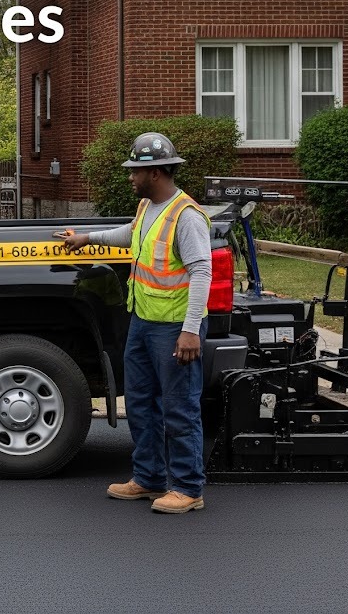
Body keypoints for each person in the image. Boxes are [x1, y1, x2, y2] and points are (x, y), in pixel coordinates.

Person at [58, 132, 212, 514]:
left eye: (135, 171)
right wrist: (87, 238)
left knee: (179, 407)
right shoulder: (148, 206)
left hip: (176, 328)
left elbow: (201, 271)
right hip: (143, 322)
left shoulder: (186, 216)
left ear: (156, 172)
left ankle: (189, 488)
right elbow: (130, 235)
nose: (130, 176)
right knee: (141, 404)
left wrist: (191, 329)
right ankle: (149, 479)